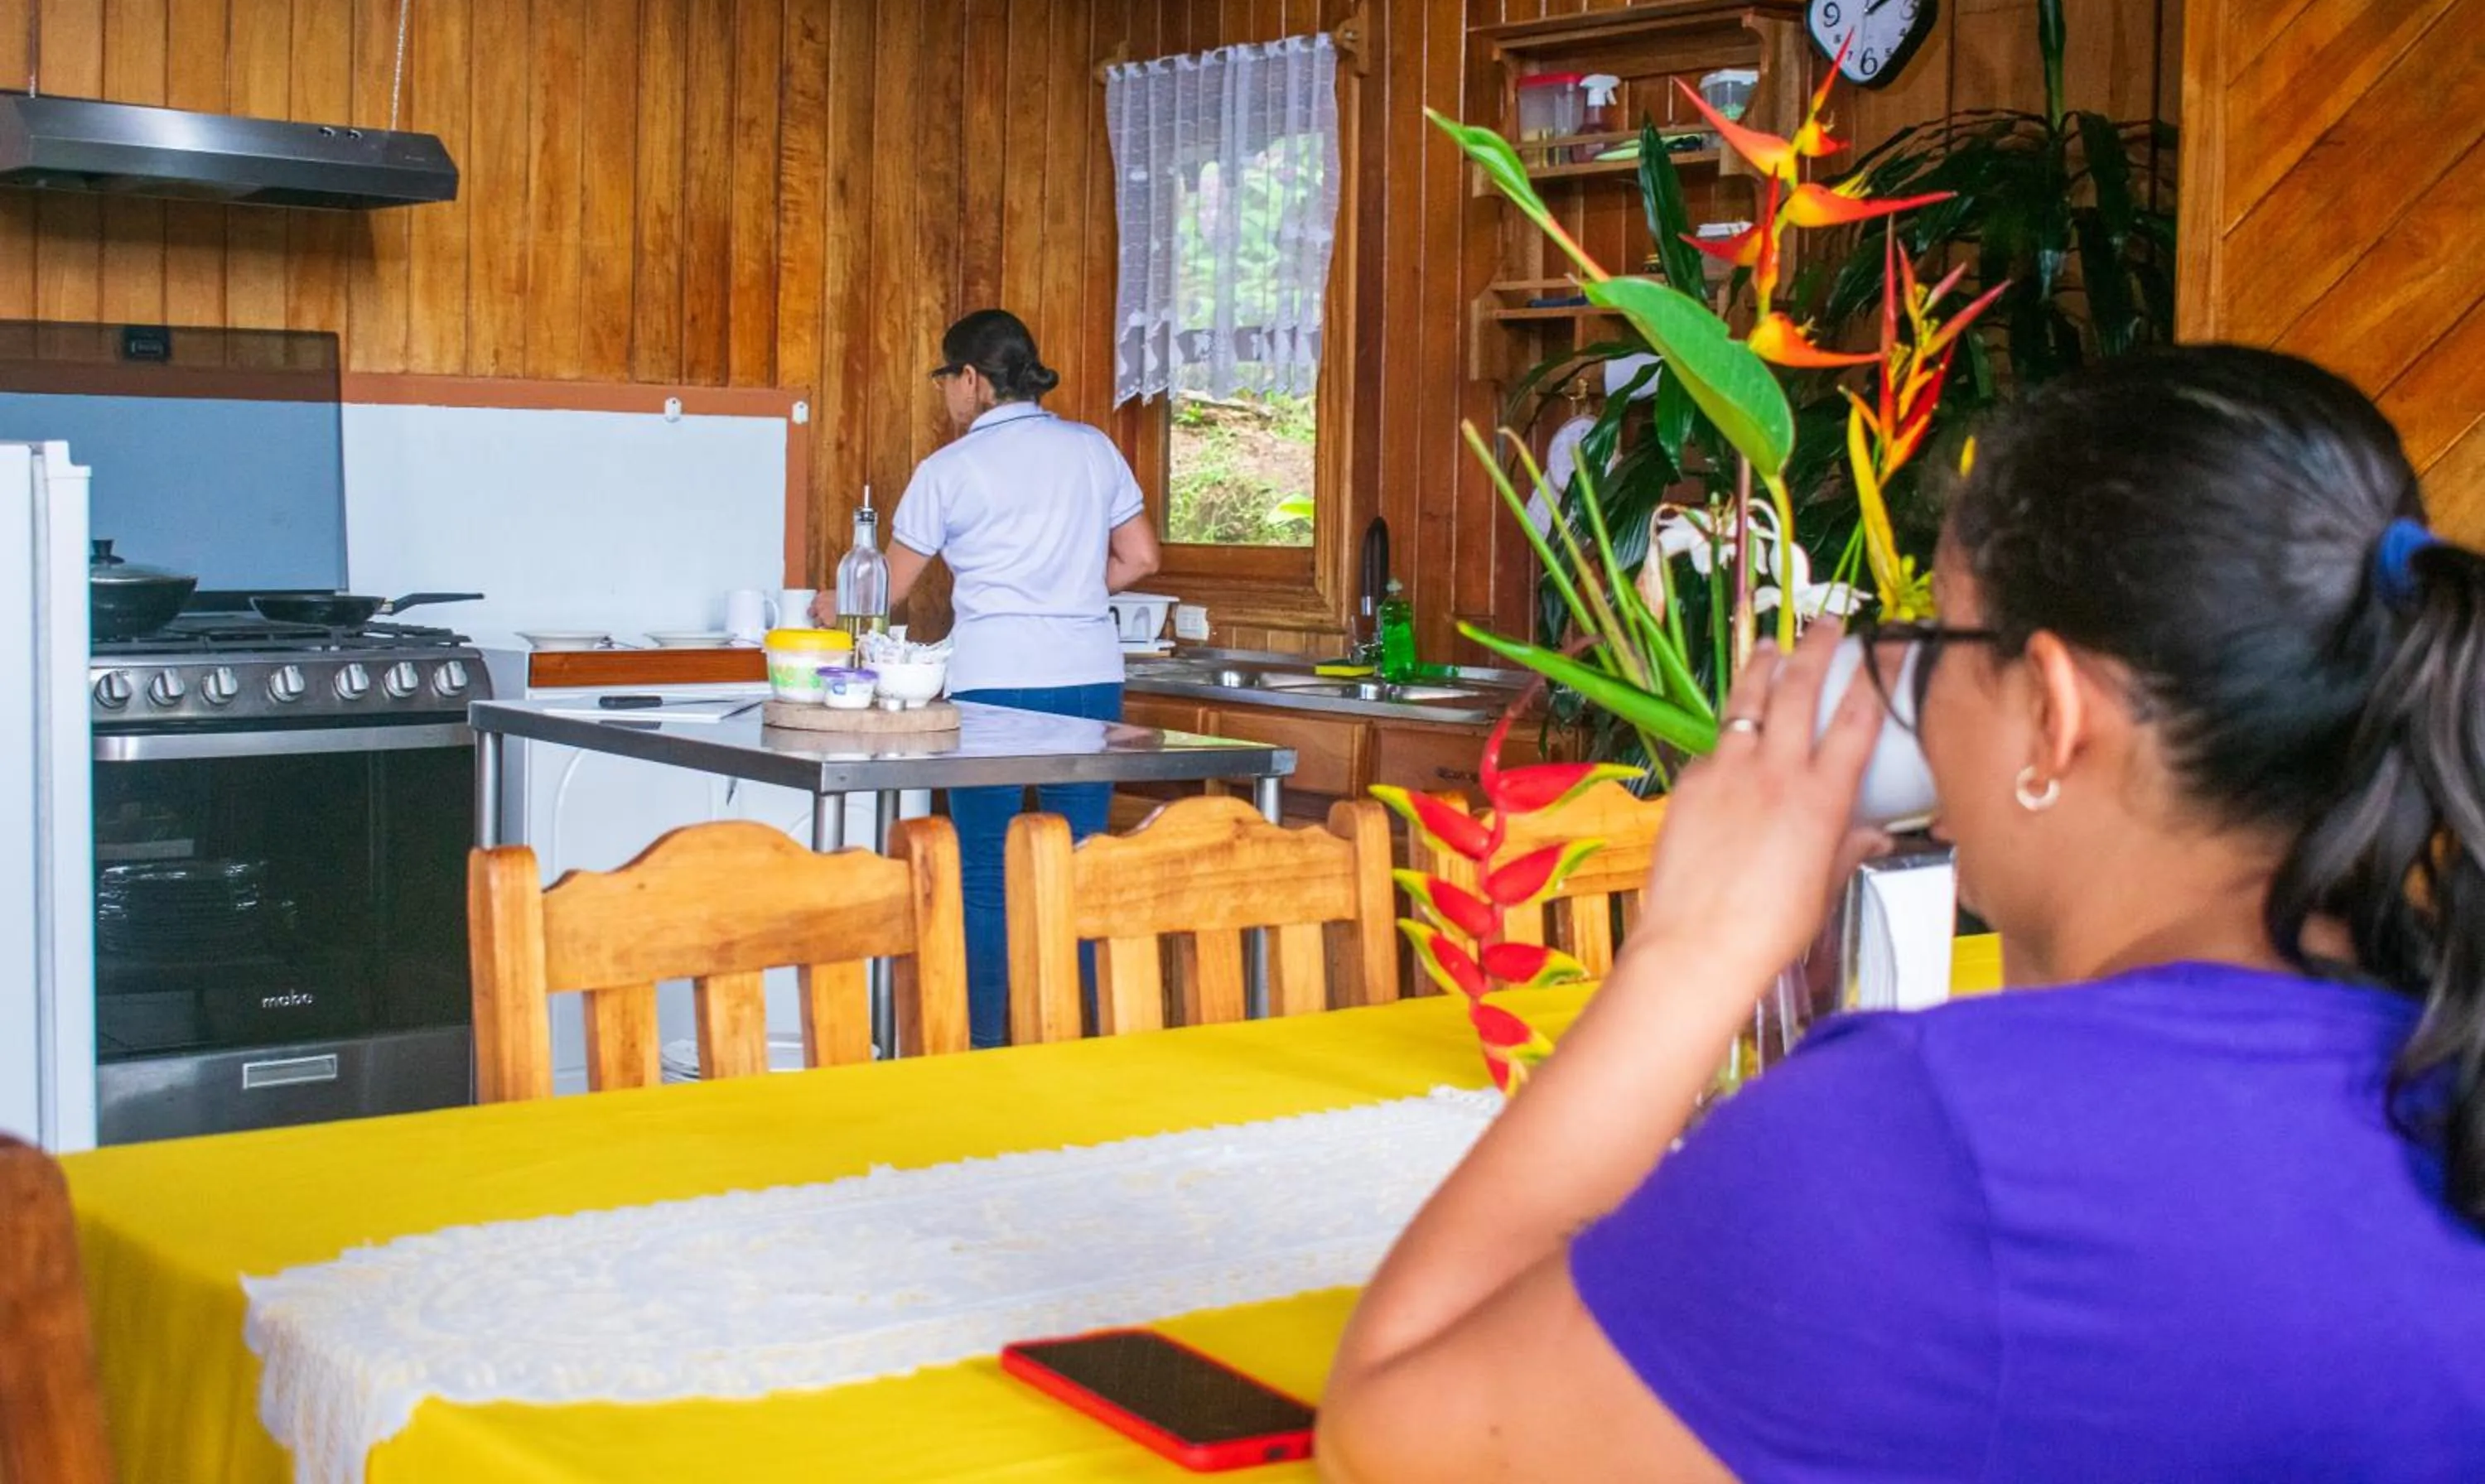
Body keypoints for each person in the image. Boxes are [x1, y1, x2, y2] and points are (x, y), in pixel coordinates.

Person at [1317, 345, 2485, 1482]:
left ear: (2053, 713)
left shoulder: (1933, 1137)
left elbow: (1390, 1427)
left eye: (1939, 642)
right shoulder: (2446, 1055)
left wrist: (1695, 951)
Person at [882, 309, 1160, 1049]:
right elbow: (1139, 559)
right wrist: (1068, 587)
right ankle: (1073, 1038)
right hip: (1087, 679)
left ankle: (983, 1047)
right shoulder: (1092, 448)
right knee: (1077, 860)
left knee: (981, 869)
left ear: (971, 378)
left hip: (995, 682)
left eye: (946, 378)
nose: (945, 393)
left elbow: (889, 590)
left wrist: (828, 600)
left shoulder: (948, 470)